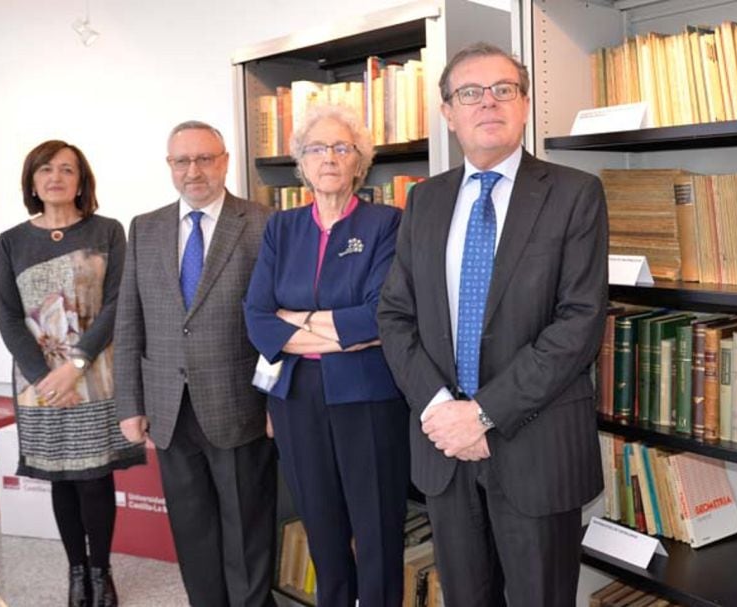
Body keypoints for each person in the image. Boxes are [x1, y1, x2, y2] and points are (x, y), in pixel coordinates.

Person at [377, 42, 609, 606]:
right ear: (449, 113)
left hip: (537, 448)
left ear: (525, 105)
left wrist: (482, 414)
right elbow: (395, 314)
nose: (488, 103)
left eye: (504, 89)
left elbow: (578, 325)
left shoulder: (576, 194)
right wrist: (441, 411)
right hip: (446, 454)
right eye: (470, 93)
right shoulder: (424, 202)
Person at [244, 103, 408, 607]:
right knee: (321, 525)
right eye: (318, 149)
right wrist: (337, 328)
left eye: (343, 148)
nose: (330, 158)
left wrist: (298, 319)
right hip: (296, 399)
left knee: (377, 529)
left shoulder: (389, 223)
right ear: (302, 162)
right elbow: (257, 316)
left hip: (369, 397)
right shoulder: (281, 227)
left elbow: (379, 316)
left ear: (360, 162)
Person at [112, 121, 275, 607]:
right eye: (182, 161)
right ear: (169, 167)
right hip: (168, 407)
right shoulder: (144, 226)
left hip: (239, 405)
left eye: (205, 158)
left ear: (225, 161)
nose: (193, 170)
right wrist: (129, 403)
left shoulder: (263, 223)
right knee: (192, 528)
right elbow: (128, 321)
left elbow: (274, 321)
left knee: (247, 530)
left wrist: (274, 401)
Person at [0, 140, 146, 607]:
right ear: (32, 181)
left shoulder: (107, 231)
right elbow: (7, 315)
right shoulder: (12, 241)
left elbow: (120, 303)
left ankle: (101, 574)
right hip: (39, 382)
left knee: (95, 477)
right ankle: (76, 573)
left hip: (96, 373)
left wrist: (76, 364)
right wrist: (44, 376)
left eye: (66, 170)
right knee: (62, 477)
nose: (55, 177)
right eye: (45, 170)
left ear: (82, 181)